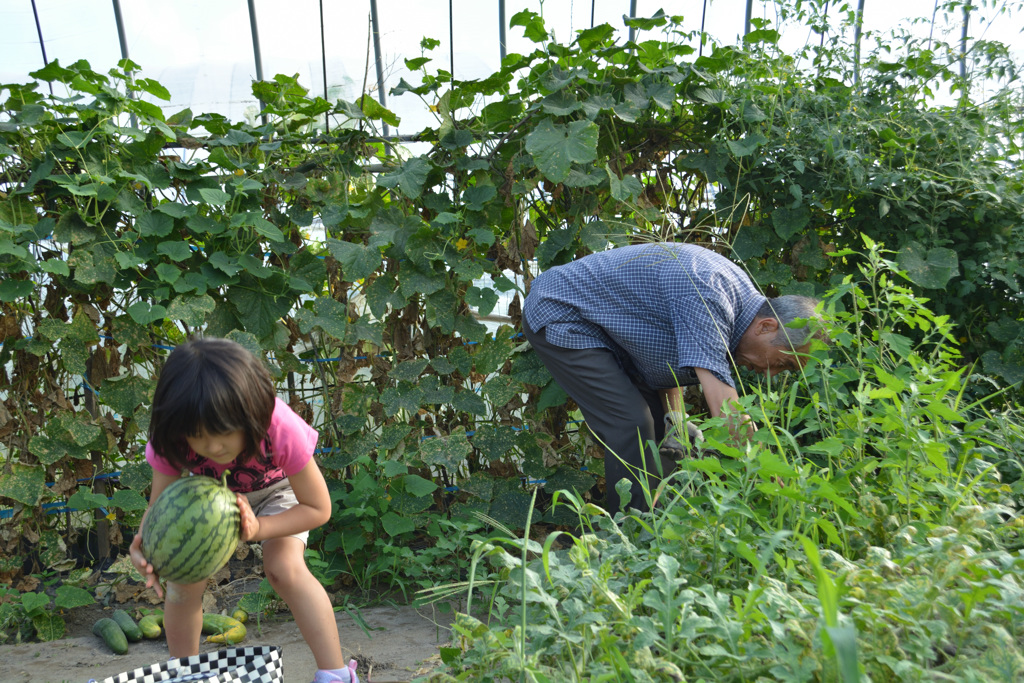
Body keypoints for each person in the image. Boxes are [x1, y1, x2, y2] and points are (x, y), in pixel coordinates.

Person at [522, 242, 822, 513]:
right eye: (781, 362)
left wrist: (674, 419)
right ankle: (627, 539)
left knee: (664, 433)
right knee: (632, 423)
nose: (771, 374)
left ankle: (656, 523)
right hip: (564, 311)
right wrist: (777, 485)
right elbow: (728, 413)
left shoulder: (738, 305)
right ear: (766, 326)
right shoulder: (712, 293)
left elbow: (666, 355)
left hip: (613, 332)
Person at [129, 337, 359, 683]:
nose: (213, 446)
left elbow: (318, 507)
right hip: (208, 502)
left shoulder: (279, 427)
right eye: (198, 436)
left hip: (280, 493)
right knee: (182, 584)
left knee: (284, 568)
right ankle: (185, 675)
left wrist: (260, 529)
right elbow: (159, 508)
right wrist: (146, 544)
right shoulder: (172, 434)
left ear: (250, 413)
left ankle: (336, 674)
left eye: (223, 433)